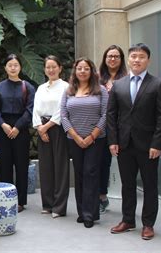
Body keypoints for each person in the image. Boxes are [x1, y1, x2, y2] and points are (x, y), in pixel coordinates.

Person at [108, 43, 161, 240]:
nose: (137, 60)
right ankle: (128, 220)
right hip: (124, 144)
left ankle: (148, 224)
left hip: (148, 145)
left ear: (148, 60)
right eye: (133, 56)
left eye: (141, 56)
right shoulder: (119, 85)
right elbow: (111, 115)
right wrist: (113, 140)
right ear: (128, 59)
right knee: (127, 184)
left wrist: (157, 144)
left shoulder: (158, 84)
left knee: (150, 185)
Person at [60, 57, 108, 228]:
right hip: (74, 140)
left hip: (95, 140)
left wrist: (91, 136)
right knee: (79, 174)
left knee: (91, 173)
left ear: (91, 71)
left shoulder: (100, 90)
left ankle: (90, 214)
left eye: (86, 68)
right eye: (79, 68)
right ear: (75, 71)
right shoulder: (69, 91)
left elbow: (105, 115)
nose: (82, 71)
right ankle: (82, 211)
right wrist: (76, 136)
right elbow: (64, 116)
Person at [0, 54, 35, 212]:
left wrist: (17, 127)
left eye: (16, 65)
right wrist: (2, 124)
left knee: (21, 164)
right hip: (3, 128)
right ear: (5, 67)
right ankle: (6, 196)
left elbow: (30, 109)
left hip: (21, 129)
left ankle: (21, 201)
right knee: (5, 164)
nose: (13, 67)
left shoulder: (27, 87)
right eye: (10, 65)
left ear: (20, 67)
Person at [33, 55, 69, 218]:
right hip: (42, 128)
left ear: (60, 68)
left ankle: (59, 207)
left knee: (60, 167)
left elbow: (63, 109)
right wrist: (40, 128)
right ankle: (47, 204)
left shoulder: (66, 87)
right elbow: (35, 109)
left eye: (54, 66)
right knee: (46, 167)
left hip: (58, 128)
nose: (51, 70)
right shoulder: (41, 88)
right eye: (48, 67)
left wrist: (47, 126)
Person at [97, 45, 128, 213]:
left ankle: (128, 201)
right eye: (109, 56)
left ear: (121, 59)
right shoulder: (98, 78)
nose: (113, 59)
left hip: (122, 126)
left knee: (125, 163)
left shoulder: (127, 78)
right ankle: (102, 195)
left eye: (116, 56)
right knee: (103, 162)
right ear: (105, 59)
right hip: (102, 126)